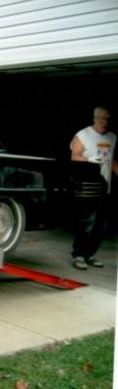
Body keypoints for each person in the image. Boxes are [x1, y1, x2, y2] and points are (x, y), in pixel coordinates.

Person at [69, 106, 118, 270]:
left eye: (108, 119)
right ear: (95, 118)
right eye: (102, 118)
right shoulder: (83, 135)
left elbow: (112, 161)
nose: (105, 122)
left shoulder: (112, 137)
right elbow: (75, 156)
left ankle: (90, 255)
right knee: (88, 221)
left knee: (100, 224)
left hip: (106, 186)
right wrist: (91, 160)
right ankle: (79, 255)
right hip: (88, 186)